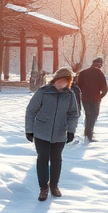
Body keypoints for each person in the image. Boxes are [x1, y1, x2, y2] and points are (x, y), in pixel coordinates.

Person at [25, 68, 79, 202]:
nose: (64, 84)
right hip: (41, 132)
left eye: (67, 81)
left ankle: (54, 185)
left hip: (60, 133)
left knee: (56, 159)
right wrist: (29, 130)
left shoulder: (70, 95)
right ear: (56, 79)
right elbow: (31, 111)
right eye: (62, 80)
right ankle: (43, 188)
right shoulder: (43, 92)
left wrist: (71, 131)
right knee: (43, 158)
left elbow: (73, 114)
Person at [75, 57, 108, 141]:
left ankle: (87, 132)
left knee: (88, 114)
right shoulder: (100, 74)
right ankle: (89, 133)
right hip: (95, 98)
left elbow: (78, 86)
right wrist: (100, 96)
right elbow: (104, 88)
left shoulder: (82, 73)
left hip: (85, 97)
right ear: (100, 65)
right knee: (94, 114)